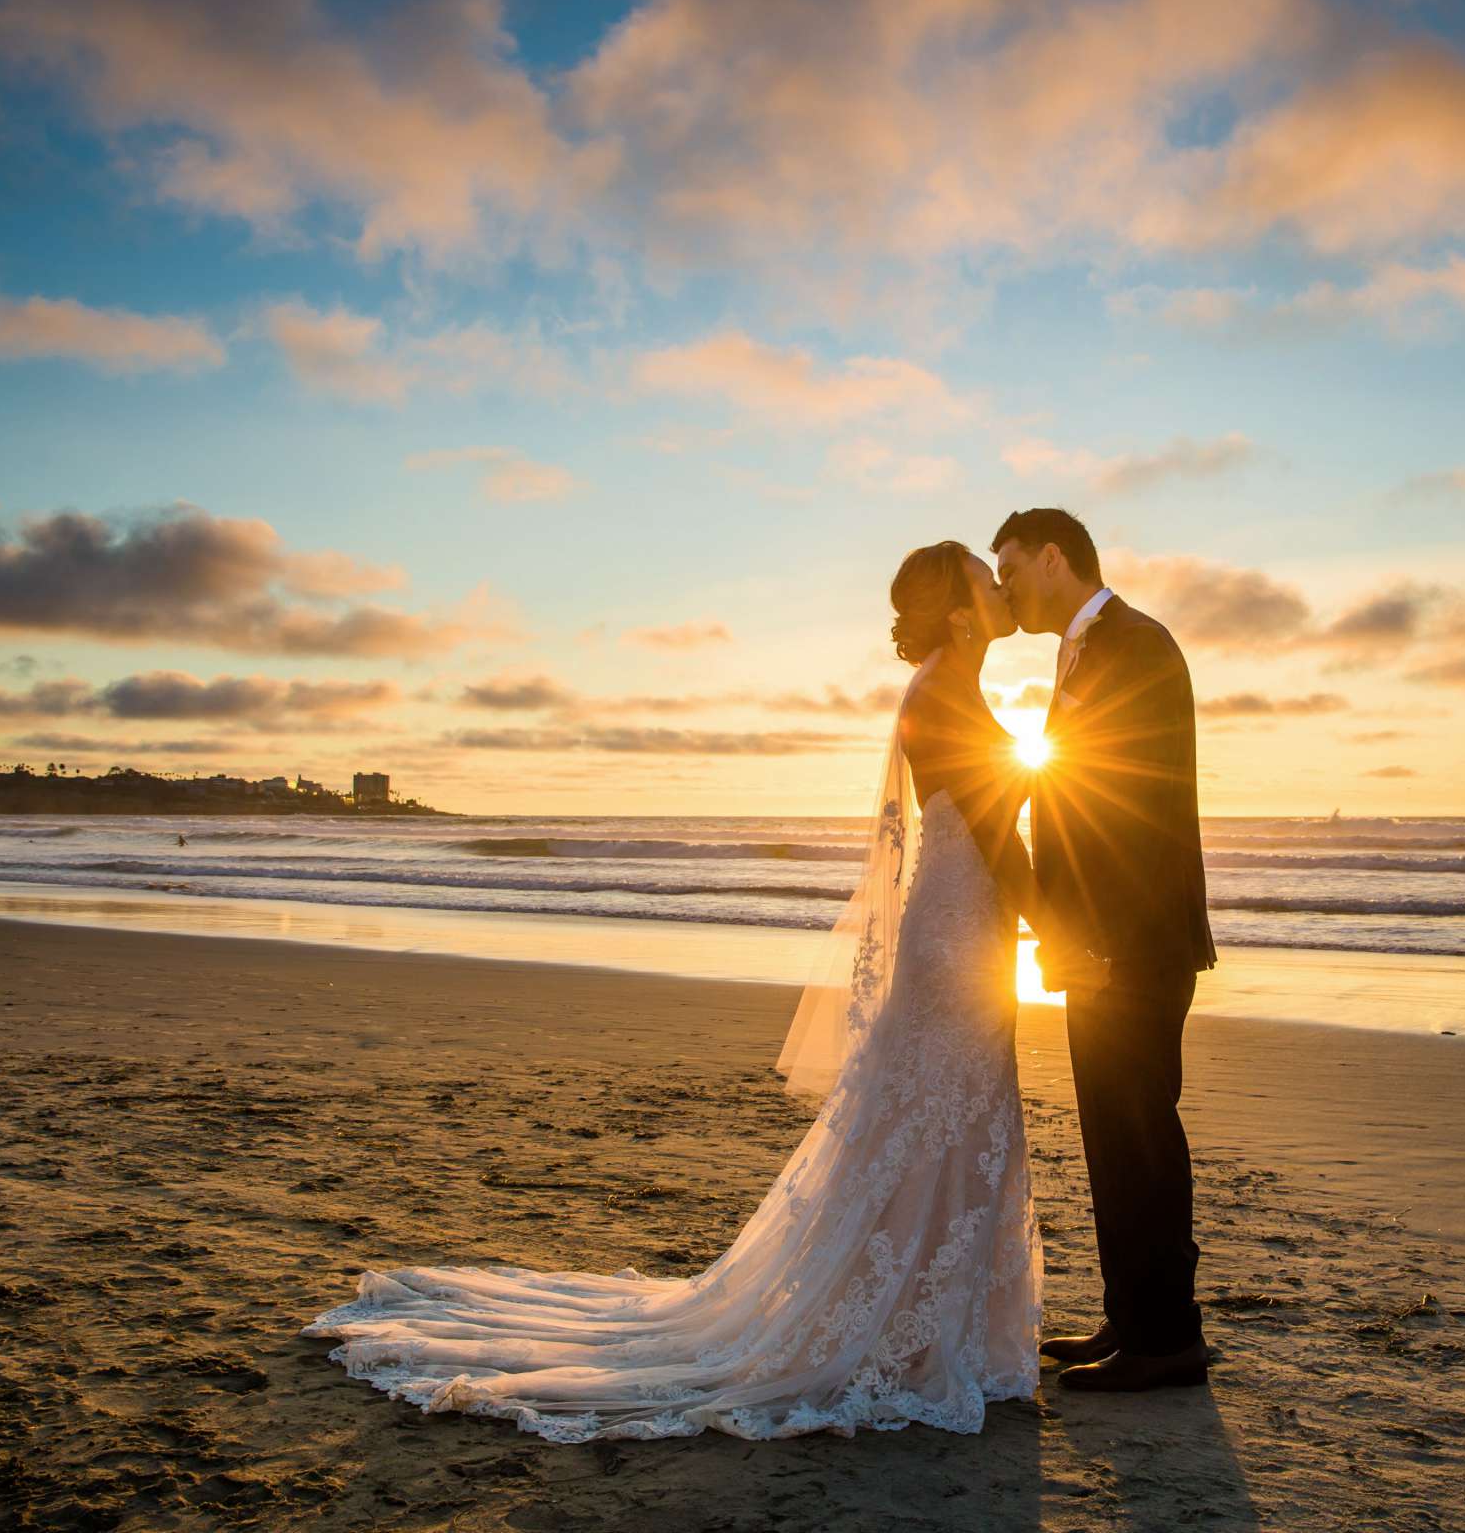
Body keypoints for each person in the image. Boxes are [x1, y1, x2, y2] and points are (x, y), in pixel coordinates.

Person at [303, 541, 1047, 1442]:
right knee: (941, 1117)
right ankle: (902, 1329)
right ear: (963, 610)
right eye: (984, 574)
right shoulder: (943, 693)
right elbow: (994, 839)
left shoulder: (954, 687)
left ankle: (928, 1321)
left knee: (949, 1120)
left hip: (966, 925)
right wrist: (1060, 925)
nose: (1000, 586)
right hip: (959, 933)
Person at [992, 506, 1217, 1393]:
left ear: (1055, 558)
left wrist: (1094, 940)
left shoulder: (1135, 644)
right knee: (1113, 1137)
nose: (1005, 591)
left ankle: (1165, 1340)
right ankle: (1135, 1319)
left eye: (1011, 571)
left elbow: (1129, 810)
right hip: (1107, 940)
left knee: (1141, 1136)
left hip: (1135, 941)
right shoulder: (1084, 648)